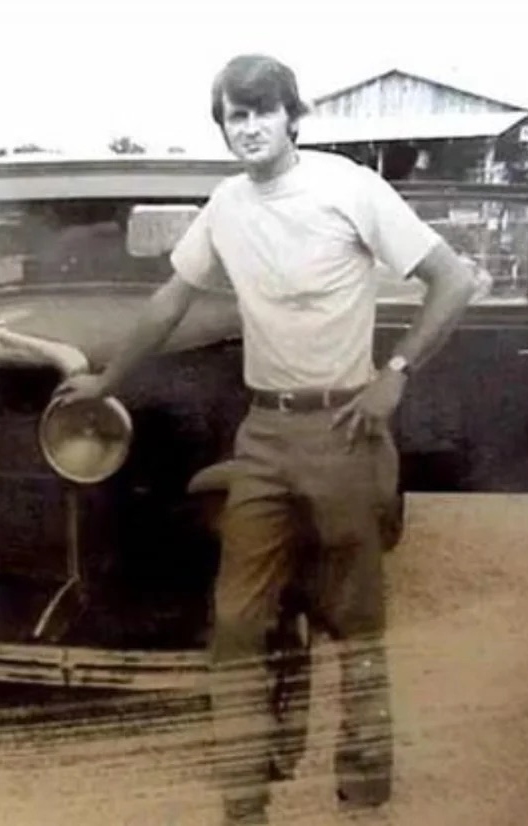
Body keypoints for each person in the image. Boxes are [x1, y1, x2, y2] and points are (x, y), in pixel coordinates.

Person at [53, 54, 481, 824]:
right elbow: (170, 302)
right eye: (233, 116)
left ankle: (362, 795)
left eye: (260, 112)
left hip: (344, 428)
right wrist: (106, 380)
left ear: (292, 115)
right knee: (236, 625)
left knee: (355, 626)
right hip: (263, 435)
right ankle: (244, 801)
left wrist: (398, 373)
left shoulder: (349, 188)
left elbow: (453, 279)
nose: (248, 128)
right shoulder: (225, 205)